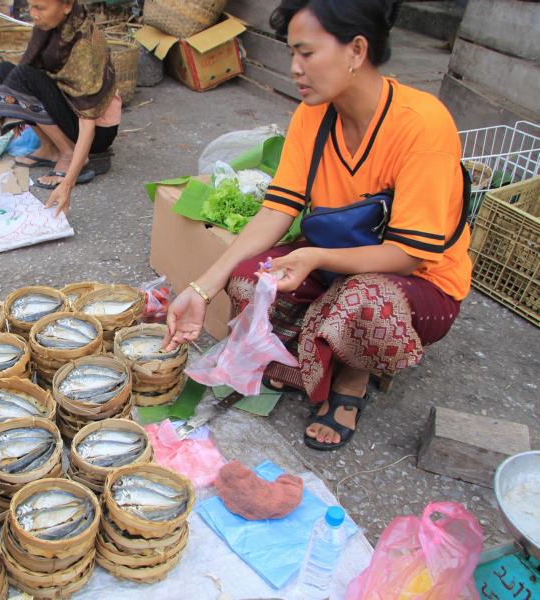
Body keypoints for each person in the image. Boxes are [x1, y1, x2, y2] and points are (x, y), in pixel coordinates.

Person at [164, 0, 471, 451]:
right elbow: (276, 211)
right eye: (291, 54)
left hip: (416, 281)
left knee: (362, 303)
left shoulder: (422, 125)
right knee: (249, 280)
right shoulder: (312, 115)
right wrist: (202, 287)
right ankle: (317, 347)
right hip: (333, 261)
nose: (294, 68)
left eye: (306, 53)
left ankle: (351, 378)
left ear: (356, 50)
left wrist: (315, 256)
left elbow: (408, 254)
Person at [0, 0, 120, 215]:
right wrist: (15, 109)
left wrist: (68, 184)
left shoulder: (83, 44)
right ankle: (49, 149)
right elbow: (27, 69)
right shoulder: (51, 28)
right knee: (4, 73)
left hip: (96, 131)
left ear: (66, 6)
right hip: (67, 110)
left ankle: (67, 152)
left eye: (40, 8)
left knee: (21, 78)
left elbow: (88, 121)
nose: (33, 14)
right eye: (30, 6)